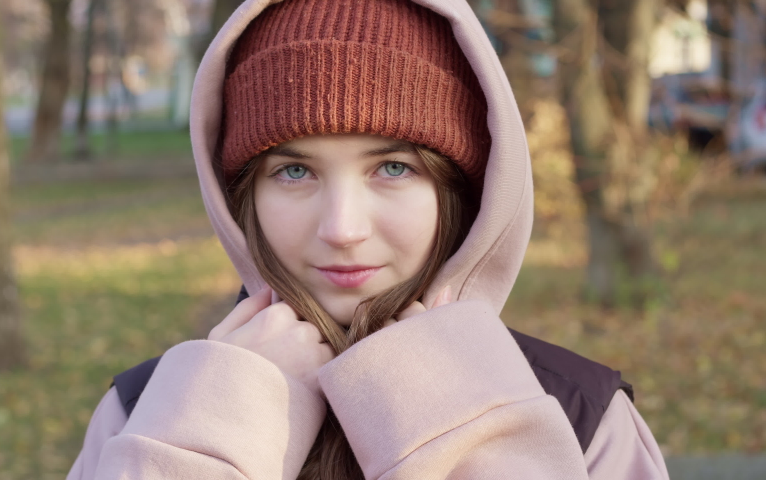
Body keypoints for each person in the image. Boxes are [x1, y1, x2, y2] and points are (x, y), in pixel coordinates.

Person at [68, 0, 670, 478]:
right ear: (240, 197)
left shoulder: (582, 417)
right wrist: (211, 439)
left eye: (394, 168)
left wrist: (457, 427)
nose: (343, 229)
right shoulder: (146, 416)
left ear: (459, 190)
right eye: (294, 171)